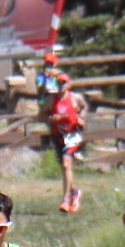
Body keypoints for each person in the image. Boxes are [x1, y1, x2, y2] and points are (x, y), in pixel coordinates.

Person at [45, 72, 88, 213]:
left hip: (72, 135)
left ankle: (66, 200)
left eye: (63, 83)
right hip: (58, 136)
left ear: (69, 85)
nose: (61, 85)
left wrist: (81, 117)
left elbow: (84, 107)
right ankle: (74, 192)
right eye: (59, 83)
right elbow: (43, 113)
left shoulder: (75, 98)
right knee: (65, 168)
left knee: (66, 163)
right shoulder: (53, 100)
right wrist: (51, 118)